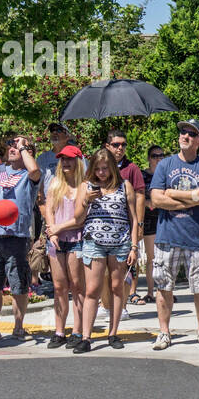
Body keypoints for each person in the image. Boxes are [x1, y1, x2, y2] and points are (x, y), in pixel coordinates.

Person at [148, 119, 199, 350]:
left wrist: (173, 194)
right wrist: (190, 199)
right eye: (183, 132)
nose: (185, 136)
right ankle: (164, 332)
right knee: (164, 286)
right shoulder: (165, 165)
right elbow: (157, 199)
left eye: (191, 133)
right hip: (167, 236)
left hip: (196, 238)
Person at [61, 147, 141, 352]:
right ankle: (86, 337)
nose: (102, 173)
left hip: (120, 242)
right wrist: (87, 200)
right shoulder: (85, 186)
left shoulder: (125, 186)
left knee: (116, 288)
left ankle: (113, 333)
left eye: (105, 168)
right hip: (94, 242)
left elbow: (134, 219)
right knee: (92, 290)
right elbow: (78, 217)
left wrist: (134, 246)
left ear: (112, 168)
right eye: (98, 169)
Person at [0, 132, 42, 344]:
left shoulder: (27, 174)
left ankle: (19, 327)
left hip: (17, 236)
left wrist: (24, 147)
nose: (13, 147)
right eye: (10, 144)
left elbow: (34, 170)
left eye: (19, 145)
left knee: (18, 285)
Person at [41, 145, 88, 349]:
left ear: (78, 161)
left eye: (70, 159)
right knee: (59, 287)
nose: (66, 163)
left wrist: (57, 228)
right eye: (63, 159)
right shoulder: (55, 183)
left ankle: (77, 330)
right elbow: (49, 209)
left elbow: (80, 218)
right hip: (57, 240)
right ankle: (59, 330)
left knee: (77, 286)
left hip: (77, 238)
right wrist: (52, 232)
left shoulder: (84, 185)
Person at [103, 129, 147, 303]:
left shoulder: (131, 168)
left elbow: (140, 195)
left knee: (127, 264)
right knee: (104, 268)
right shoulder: (99, 167)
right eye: (116, 145)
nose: (120, 148)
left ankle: (127, 298)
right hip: (104, 227)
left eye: (123, 145)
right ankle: (105, 302)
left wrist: (140, 223)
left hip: (127, 226)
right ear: (107, 146)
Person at [140, 145, 164, 303]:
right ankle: (150, 291)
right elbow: (137, 197)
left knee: (165, 258)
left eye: (161, 155)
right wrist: (149, 202)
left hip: (164, 218)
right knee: (152, 258)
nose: (158, 158)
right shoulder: (143, 176)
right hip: (149, 219)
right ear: (149, 158)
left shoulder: (165, 174)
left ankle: (164, 291)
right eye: (155, 156)